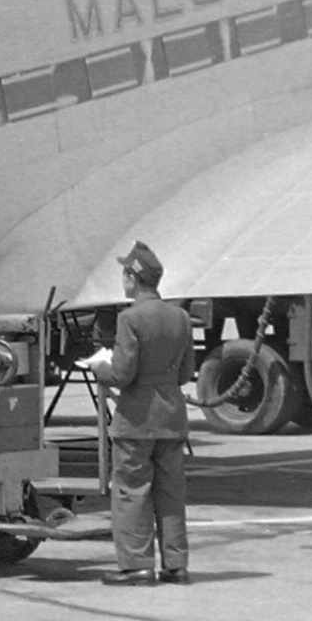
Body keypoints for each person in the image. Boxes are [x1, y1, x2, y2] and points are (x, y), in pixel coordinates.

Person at [81, 242, 195, 585]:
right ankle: (176, 566)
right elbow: (185, 373)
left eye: (124, 274)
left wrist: (99, 367)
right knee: (171, 494)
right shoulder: (181, 317)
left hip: (136, 420)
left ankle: (136, 566)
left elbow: (121, 375)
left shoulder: (129, 318)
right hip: (171, 419)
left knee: (132, 491)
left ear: (133, 277)